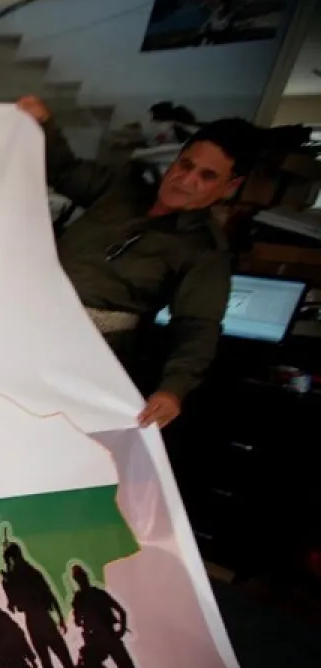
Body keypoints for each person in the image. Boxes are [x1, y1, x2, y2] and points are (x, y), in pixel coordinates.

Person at [16, 96, 260, 428]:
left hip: (90, 359)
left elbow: (196, 327)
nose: (186, 182)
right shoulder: (120, 189)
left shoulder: (205, 252)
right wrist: (43, 124)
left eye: (207, 176)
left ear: (229, 186)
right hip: (23, 329)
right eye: (185, 165)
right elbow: (64, 169)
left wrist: (173, 390)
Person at [0, 536, 75, 668]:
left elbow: (14, 604)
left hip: (37, 618)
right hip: (39, 618)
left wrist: (9, 579)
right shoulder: (26, 574)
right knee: (54, 659)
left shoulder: (21, 576)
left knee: (54, 659)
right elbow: (15, 604)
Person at [68, 564, 140, 668]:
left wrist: (121, 631)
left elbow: (121, 612)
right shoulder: (89, 596)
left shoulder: (89, 596)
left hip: (104, 638)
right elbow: (121, 612)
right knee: (92, 667)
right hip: (99, 639)